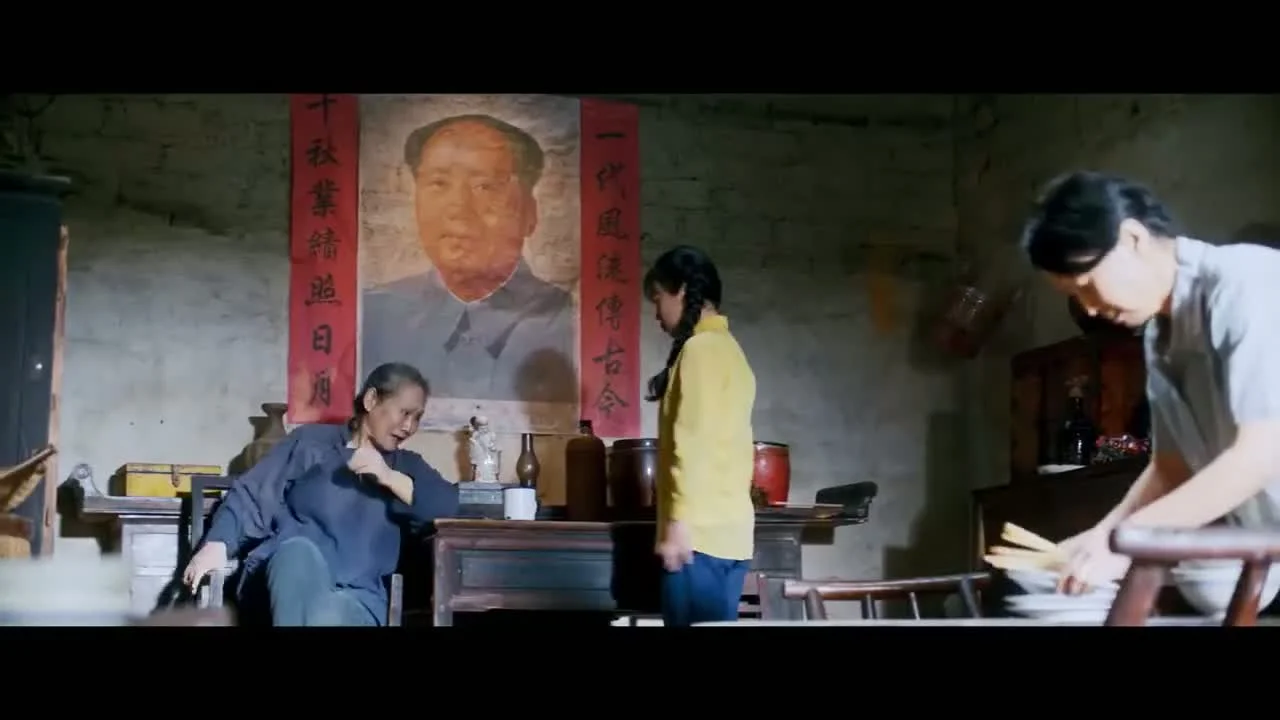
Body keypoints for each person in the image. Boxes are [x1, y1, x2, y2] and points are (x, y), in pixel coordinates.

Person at [1020, 171, 1280, 593]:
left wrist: (1124, 540)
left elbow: (1262, 454)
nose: (1089, 308)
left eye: (1088, 285)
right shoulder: (1159, 335)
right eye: (1075, 296)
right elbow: (1170, 468)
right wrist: (1099, 536)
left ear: (1132, 238)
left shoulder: (1247, 283)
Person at [181, 362, 460, 625]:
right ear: (371, 400)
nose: (409, 426)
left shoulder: (406, 467)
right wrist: (217, 543)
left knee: (329, 615)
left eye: (417, 418)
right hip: (286, 580)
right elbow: (252, 496)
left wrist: (388, 477)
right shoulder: (311, 443)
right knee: (297, 553)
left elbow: (448, 509)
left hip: (356, 597)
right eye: (404, 413)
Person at [361, 114, 576, 404]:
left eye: (485, 186)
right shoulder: (373, 315)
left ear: (530, 212)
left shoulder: (569, 320)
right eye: (438, 183)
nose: (458, 208)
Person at [644, 245, 757, 626]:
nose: (656, 313)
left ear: (680, 290)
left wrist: (678, 523)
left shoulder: (699, 350)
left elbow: (691, 445)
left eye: (657, 298)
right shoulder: (732, 350)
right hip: (731, 537)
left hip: (697, 538)